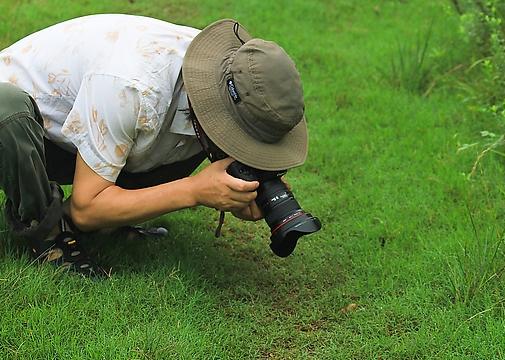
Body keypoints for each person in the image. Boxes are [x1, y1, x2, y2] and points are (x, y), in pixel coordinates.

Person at [0, 14, 309, 276]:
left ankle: (109, 222)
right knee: (8, 114)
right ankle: (49, 234)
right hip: (28, 128)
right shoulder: (131, 86)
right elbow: (86, 208)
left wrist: (245, 185)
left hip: (93, 126)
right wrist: (194, 191)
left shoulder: (229, 76)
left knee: (188, 132)